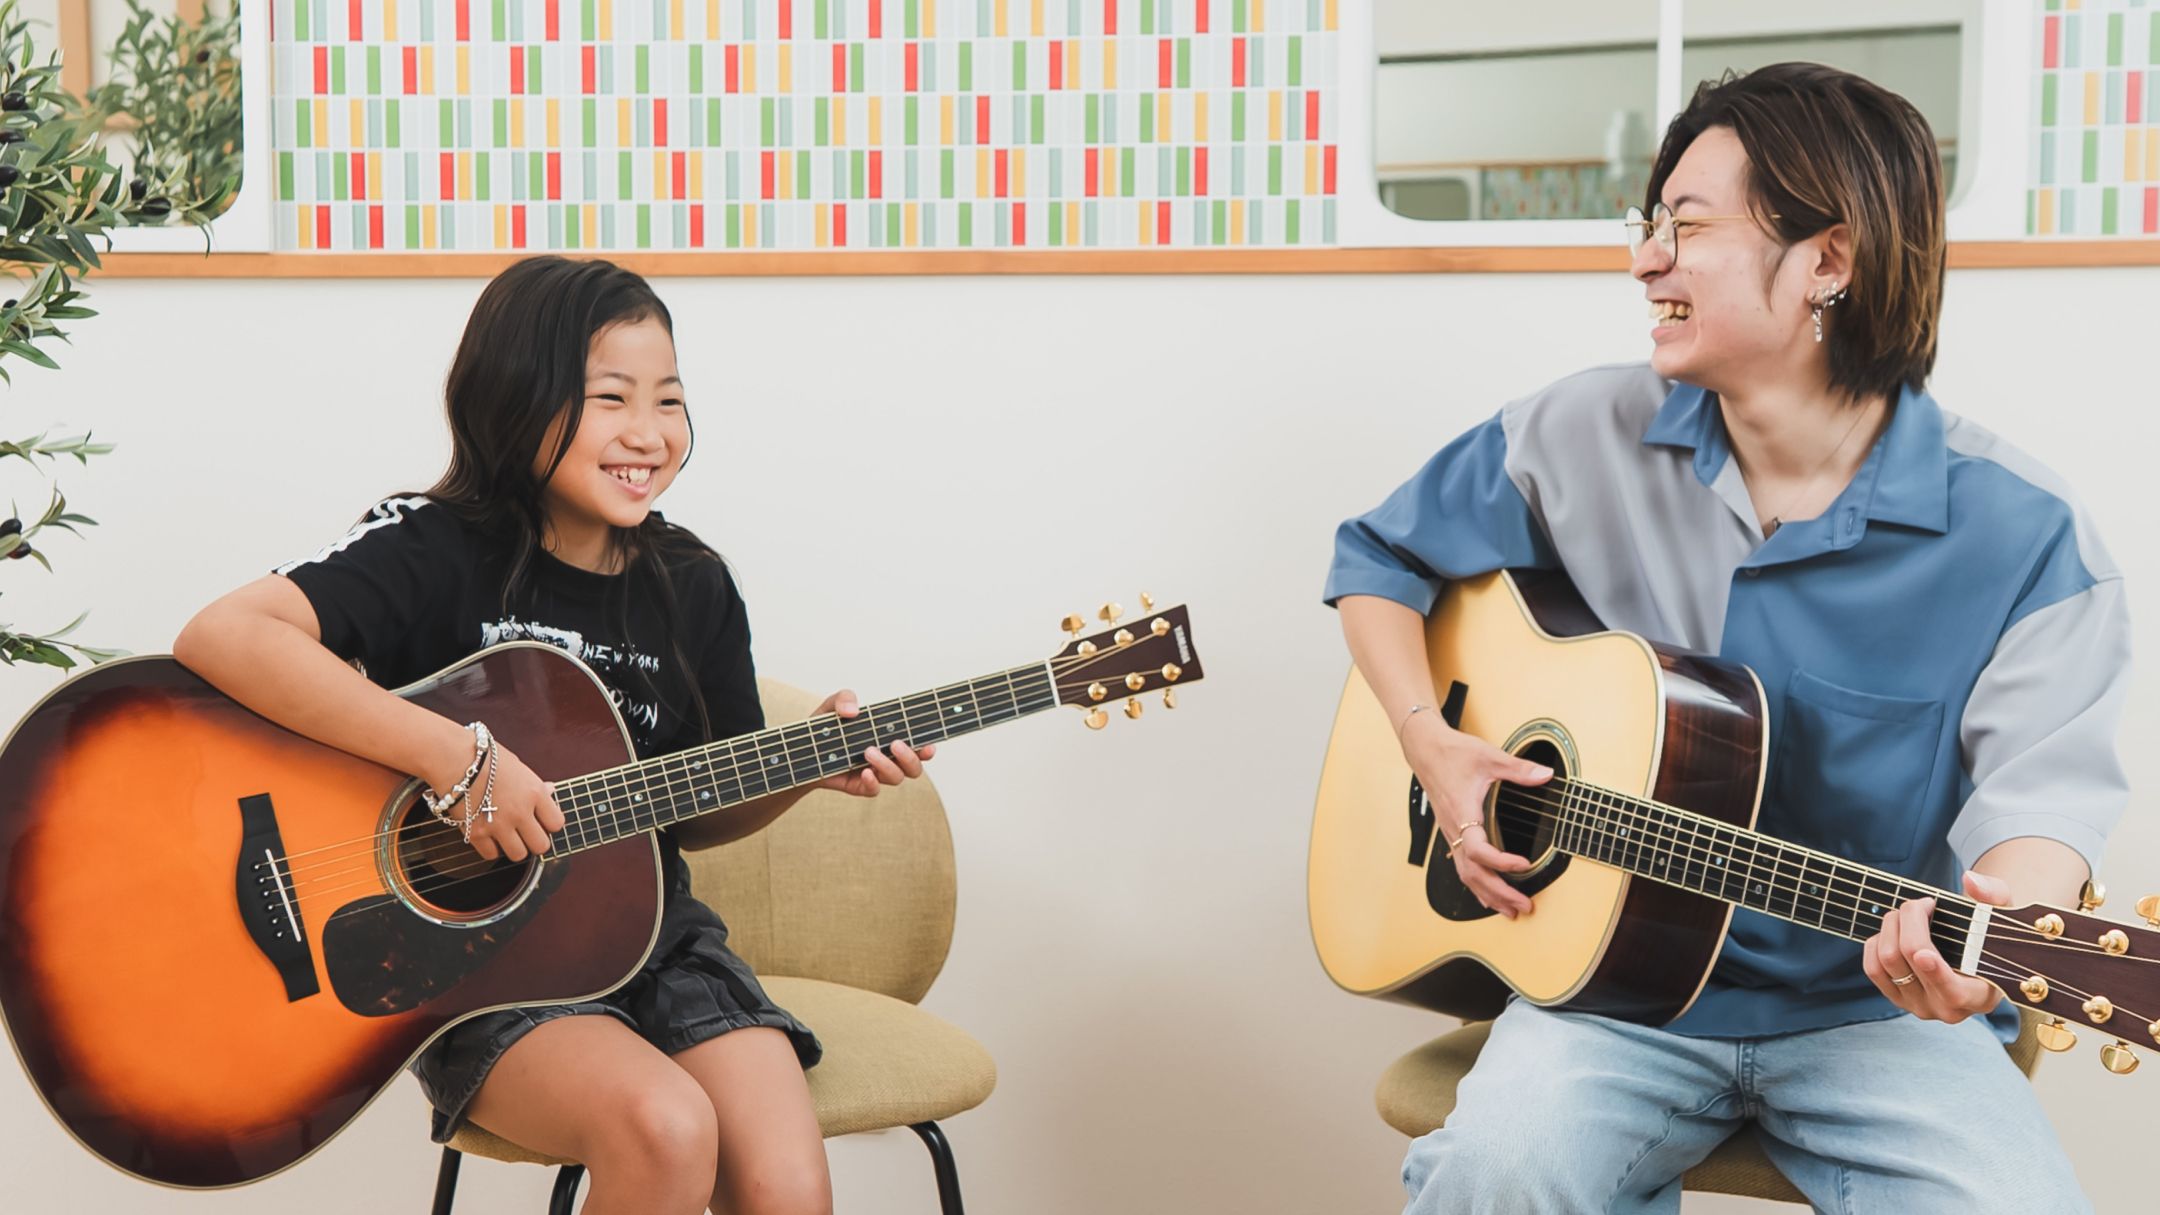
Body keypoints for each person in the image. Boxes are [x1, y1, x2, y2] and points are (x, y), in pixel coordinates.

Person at [1325, 64, 2127, 1213]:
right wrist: (1428, 741)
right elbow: (1378, 560)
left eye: (1688, 227)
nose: (1645, 260)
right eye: (1649, 223)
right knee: (1495, 1173)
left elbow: (2041, 809)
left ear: (1829, 261)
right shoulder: (1577, 430)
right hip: (1610, 1000)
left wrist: (1989, 942)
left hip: (1872, 1017)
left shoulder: (2027, 535)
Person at [173, 255, 930, 1215]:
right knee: (665, 1127)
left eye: (669, 399)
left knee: (786, 1183)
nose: (648, 433)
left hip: (655, 942)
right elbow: (225, 634)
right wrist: (458, 759)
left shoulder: (693, 584)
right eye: (612, 398)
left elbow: (693, 811)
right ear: (516, 397)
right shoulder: (432, 546)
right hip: (478, 966)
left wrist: (806, 765)